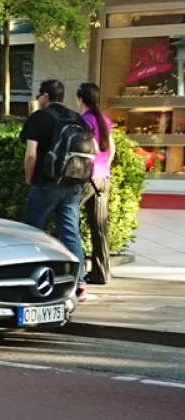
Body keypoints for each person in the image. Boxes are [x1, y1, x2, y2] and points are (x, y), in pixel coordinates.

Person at [22, 79, 86, 301]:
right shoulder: (75, 118)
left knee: (30, 230)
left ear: (45, 96)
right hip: (73, 184)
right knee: (70, 233)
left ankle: (30, 279)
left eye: (39, 96)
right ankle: (79, 284)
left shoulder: (38, 119)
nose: (38, 100)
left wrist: (29, 179)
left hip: (46, 183)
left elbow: (31, 154)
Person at [77, 82, 114, 286]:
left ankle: (74, 269)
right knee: (99, 227)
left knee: (68, 217)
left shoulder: (84, 120)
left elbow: (90, 147)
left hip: (89, 177)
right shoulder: (104, 120)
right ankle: (102, 272)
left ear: (80, 99)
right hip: (103, 177)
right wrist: (104, 166)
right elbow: (111, 149)